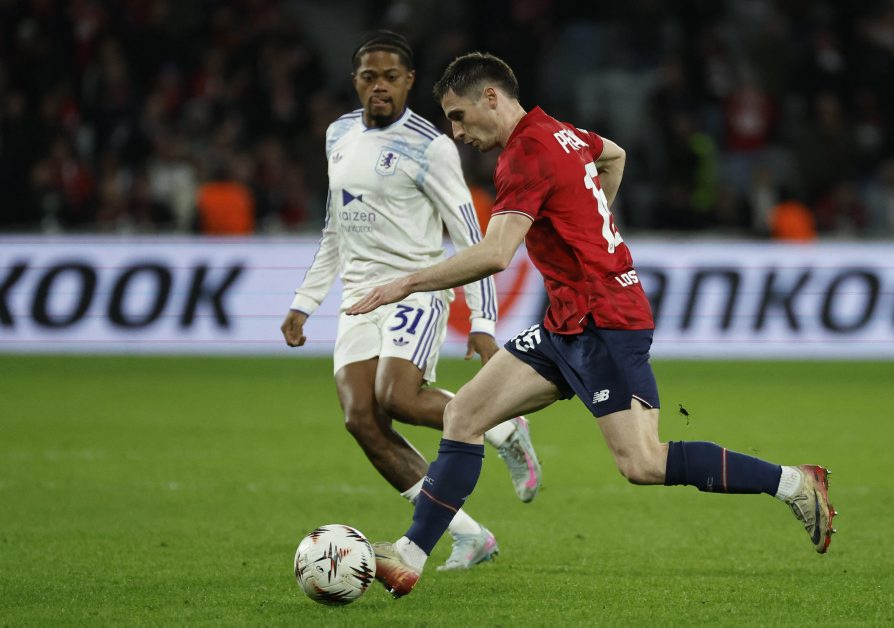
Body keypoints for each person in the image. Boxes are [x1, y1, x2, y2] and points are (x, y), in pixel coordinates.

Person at [346, 52, 838, 598]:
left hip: (605, 319)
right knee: (463, 413)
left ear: (490, 97)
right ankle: (409, 555)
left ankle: (793, 483)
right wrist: (589, 220)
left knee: (642, 462)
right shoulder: (558, 132)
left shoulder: (525, 154)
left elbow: (495, 254)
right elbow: (614, 155)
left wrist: (407, 283)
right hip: (566, 319)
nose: (456, 132)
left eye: (459, 116)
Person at [281, 34, 542, 571]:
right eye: (369, 77)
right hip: (359, 297)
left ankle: (501, 425)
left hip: (415, 289)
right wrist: (305, 300)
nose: (379, 86)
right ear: (355, 81)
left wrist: (483, 321)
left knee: (397, 396)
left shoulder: (431, 146)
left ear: (408, 82)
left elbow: (469, 234)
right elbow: (335, 227)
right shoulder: (338, 135)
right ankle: (469, 534)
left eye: (390, 77)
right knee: (361, 419)